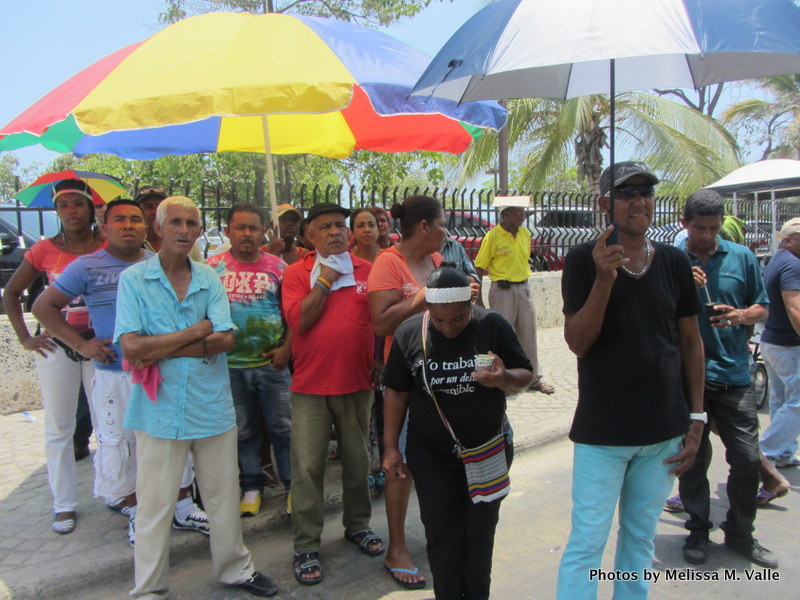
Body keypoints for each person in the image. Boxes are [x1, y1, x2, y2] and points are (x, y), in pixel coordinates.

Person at [114, 196, 277, 598]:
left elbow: (224, 339)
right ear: (159, 227)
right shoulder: (134, 280)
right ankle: (149, 587)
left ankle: (236, 569)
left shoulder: (209, 278)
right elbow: (132, 349)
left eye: (192, 223)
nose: (185, 231)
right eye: (177, 223)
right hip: (159, 408)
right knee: (154, 505)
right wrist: (195, 331)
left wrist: (160, 345)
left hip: (210, 403)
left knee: (223, 496)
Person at [556, 161, 705, 600]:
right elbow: (578, 343)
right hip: (604, 435)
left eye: (646, 191)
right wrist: (604, 279)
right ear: (605, 204)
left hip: (664, 433)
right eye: (627, 193)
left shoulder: (675, 262)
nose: (639, 200)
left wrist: (696, 419)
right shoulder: (584, 260)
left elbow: (691, 344)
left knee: (639, 540)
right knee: (587, 543)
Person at [32, 199, 206, 547]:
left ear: (148, 228)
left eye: (135, 220)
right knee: (121, 442)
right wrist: (81, 346)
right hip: (114, 373)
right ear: (105, 226)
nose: (128, 226)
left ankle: (183, 505)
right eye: (119, 220)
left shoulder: (158, 263)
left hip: (162, 368)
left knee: (174, 438)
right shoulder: (87, 266)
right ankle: (135, 509)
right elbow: (42, 307)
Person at [383, 265, 533, 600]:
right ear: (428, 310)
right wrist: (391, 447)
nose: (448, 328)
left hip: (488, 451)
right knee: (442, 537)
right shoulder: (410, 333)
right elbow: (395, 391)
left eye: (458, 319)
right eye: (439, 320)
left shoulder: (491, 325)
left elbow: (525, 373)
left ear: (471, 307)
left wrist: (503, 378)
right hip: (432, 458)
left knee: (479, 538)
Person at [281, 202, 382, 586]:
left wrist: (379, 358)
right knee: (308, 468)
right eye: (325, 227)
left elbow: (379, 321)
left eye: (341, 225)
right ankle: (306, 544)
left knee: (358, 462)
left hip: (357, 385)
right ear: (309, 236)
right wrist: (324, 278)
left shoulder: (367, 272)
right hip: (309, 387)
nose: (336, 232)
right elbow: (301, 321)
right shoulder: (296, 274)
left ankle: (357, 525)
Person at [675, 190, 777, 569]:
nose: (706, 236)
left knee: (748, 459)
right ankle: (698, 530)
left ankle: (740, 532)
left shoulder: (743, 257)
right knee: (693, 459)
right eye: (699, 228)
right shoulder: (671, 261)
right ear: (685, 223)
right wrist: (682, 282)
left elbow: (763, 308)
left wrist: (741, 316)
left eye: (713, 228)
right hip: (687, 380)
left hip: (734, 375)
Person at [2, 179, 105, 534]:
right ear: (57, 211)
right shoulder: (44, 250)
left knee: (108, 423)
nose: (72, 211)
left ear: (90, 207)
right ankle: (64, 504)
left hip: (101, 346)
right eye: (64, 205)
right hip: (57, 346)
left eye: (78, 203)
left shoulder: (108, 245)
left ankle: (113, 490)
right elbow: (13, 293)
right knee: (60, 428)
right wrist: (26, 339)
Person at [368, 195, 447, 590]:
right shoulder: (389, 263)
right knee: (399, 466)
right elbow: (380, 324)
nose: (447, 231)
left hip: (439, 378)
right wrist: (422, 297)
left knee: (435, 461)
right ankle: (396, 548)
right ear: (423, 228)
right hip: (404, 382)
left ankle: (438, 537)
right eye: (442, 224)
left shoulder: (435, 262)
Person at [206, 203, 292, 517]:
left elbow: (292, 316)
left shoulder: (279, 267)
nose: (246, 234)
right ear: (227, 231)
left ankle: (292, 487)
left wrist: (286, 349)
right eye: (239, 228)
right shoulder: (210, 268)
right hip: (228, 367)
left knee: (284, 429)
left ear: (263, 232)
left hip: (272, 366)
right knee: (243, 432)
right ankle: (252, 486)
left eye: (253, 228)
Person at [474, 203, 554, 394]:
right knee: (501, 334)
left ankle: (533, 379)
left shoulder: (525, 233)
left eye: (523, 210)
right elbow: (479, 265)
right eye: (517, 211)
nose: (522, 214)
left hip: (523, 287)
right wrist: (477, 298)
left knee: (529, 334)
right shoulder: (493, 236)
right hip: (502, 290)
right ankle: (498, 379)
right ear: (505, 214)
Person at [758, 218, 800, 468]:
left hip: (774, 340)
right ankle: (766, 452)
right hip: (787, 344)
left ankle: (782, 451)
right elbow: (794, 306)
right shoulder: (792, 265)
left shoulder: (778, 260)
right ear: (787, 239)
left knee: (782, 400)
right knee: (796, 403)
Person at [134, 185, 203, 261]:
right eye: (148, 207)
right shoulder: (132, 243)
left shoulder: (187, 243)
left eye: (159, 206)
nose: (155, 211)